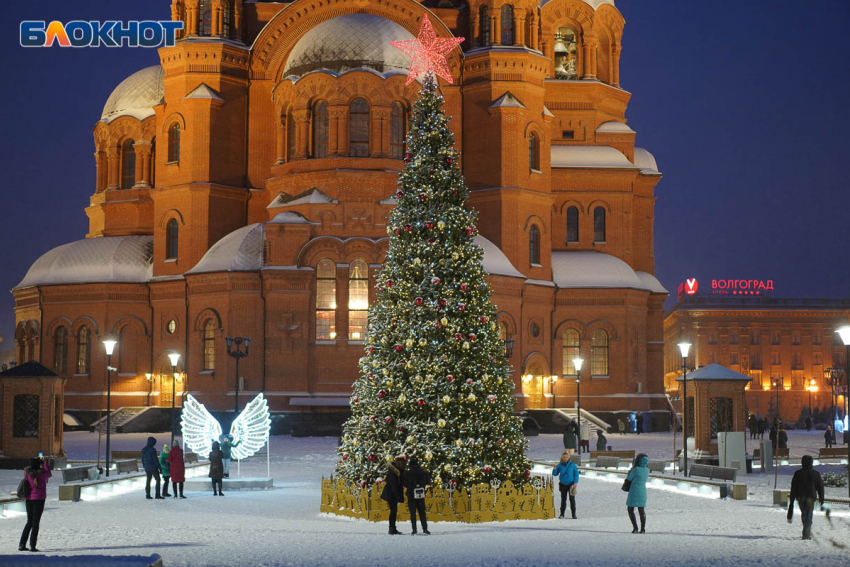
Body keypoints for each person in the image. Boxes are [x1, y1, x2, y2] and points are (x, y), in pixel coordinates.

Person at [19, 457, 51, 552]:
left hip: (29, 499)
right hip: (39, 499)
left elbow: (28, 472)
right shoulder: (43, 474)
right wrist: (45, 463)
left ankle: (22, 544)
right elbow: (49, 473)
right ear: (39, 464)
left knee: (29, 521)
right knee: (35, 523)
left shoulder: (27, 473)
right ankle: (32, 546)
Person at [788, 455, 824, 540]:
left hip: (800, 497)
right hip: (811, 498)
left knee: (804, 514)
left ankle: (806, 533)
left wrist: (792, 499)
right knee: (808, 515)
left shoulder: (798, 473)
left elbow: (793, 487)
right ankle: (806, 534)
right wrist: (821, 497)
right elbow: (820, 486)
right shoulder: (815, 473)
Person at [404, 457, 431, 535]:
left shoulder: (408, 473)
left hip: (411, 494)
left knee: (413, 513)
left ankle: (414, 529)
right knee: (422, 512)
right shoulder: (422, 472)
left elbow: (405, 483)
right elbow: (428, 481)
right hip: (420, 494)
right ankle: (425, 529)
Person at [380, 457, 405, 535]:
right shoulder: (394, 472)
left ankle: (392, 528)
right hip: (391, 494)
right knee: (393, 511)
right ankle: (392, 528)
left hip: (391, 493)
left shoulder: (395, 471)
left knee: (393, 511)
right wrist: (397, 495)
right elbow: (394, 485)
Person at [625, 454, 650, 533]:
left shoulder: (636, 470)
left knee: (630, 509)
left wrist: (630, 470)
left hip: (634, 491)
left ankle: (635, 528)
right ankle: (643, 529)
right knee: (641, 510)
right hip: (642, 491)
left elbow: (629, 478)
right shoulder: (647, 470)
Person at [552, 452, 579, 519]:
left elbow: (576, 474)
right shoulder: (559, 465)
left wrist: (575, 482)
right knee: (563, 500)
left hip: (571, 485)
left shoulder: (573, 465)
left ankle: (573, 514)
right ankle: (562, 514)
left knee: (572, 500)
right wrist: (554, 470)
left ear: (568, 458)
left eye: (566, 457)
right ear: (562, 458)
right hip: (563, 484)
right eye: (564, 457)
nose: (565, 458)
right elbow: (555, 474)